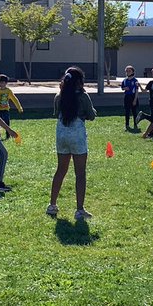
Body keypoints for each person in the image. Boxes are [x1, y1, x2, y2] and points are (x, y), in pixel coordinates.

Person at [47, 66, 97, 220]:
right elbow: (91, 115)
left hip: (61, 133)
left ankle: (52, 205)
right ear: (79, 81)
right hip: (77, 134)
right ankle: (79, 209)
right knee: (80, 173)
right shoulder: (83, 96)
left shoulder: (59, 96)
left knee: (61, 170)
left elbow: (57, 114)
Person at [0, 74, 23, 139]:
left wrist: (19, 108)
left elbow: (14, 99)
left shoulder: (8, 91)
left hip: (5, 109)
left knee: (7, 122)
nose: (1, 84)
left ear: (6, 83)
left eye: (3, 83)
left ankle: (8, 136)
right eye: (0, 82)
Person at [120, 65, 140, 131]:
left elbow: (137, 91)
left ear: (132, 72)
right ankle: (127, 124)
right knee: (127, 111)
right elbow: (122, 87)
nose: (128, 72)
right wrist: (124, 88)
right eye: (126, 71)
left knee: (134, 111)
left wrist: (135, 100)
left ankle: (135, 124)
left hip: (133, 96)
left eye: (129, 71)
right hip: (127, 97)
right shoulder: (125, 80)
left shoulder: (135, 81)